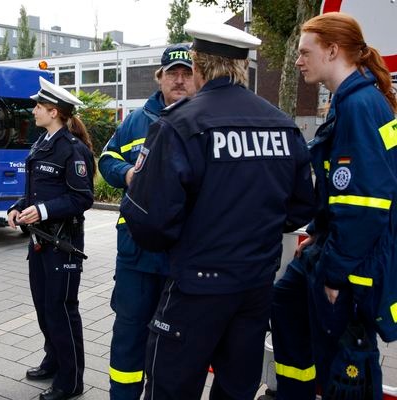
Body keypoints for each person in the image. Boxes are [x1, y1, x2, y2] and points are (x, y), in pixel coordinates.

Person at [119, 22, 316, 400]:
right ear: (243, 66)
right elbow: (299, 209)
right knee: (237, 388)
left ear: (197, 64)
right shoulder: (282, 125)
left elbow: (148, 221)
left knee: (172, 388)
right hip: (255, 286)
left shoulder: (179, 124)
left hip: (195, 287)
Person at [269, 12, 397, 400]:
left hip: (351, 264)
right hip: (334, 247)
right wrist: (319, 236)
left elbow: (366, 205)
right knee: (286, 303)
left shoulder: (359, 107)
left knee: (347, 368)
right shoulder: (352, 101)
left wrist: (335, 275)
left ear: (332, 50)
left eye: (305, 52)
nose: (297, 60)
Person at [98, 43, 196, 400]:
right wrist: (126, 174)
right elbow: (107, 157)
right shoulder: (137, 119)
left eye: (187, 73)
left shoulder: (202, 119)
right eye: (173, 73)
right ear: (160, 77)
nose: (180, 80)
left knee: (173, 339)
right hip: (136, 254)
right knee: (129, 334)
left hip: (180, 253)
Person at [7, 76, 94, 400]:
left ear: (53, 111)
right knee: (44, 307)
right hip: (40, 242)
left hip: (63, 244)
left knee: (62, 309)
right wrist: (19, 207)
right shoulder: (42, 143)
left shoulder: (73, 150)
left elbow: (82, 198)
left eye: (38, 107)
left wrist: (42, 211)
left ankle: (71, 381)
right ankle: (53, 360)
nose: (33, 111)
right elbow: (35, 192)